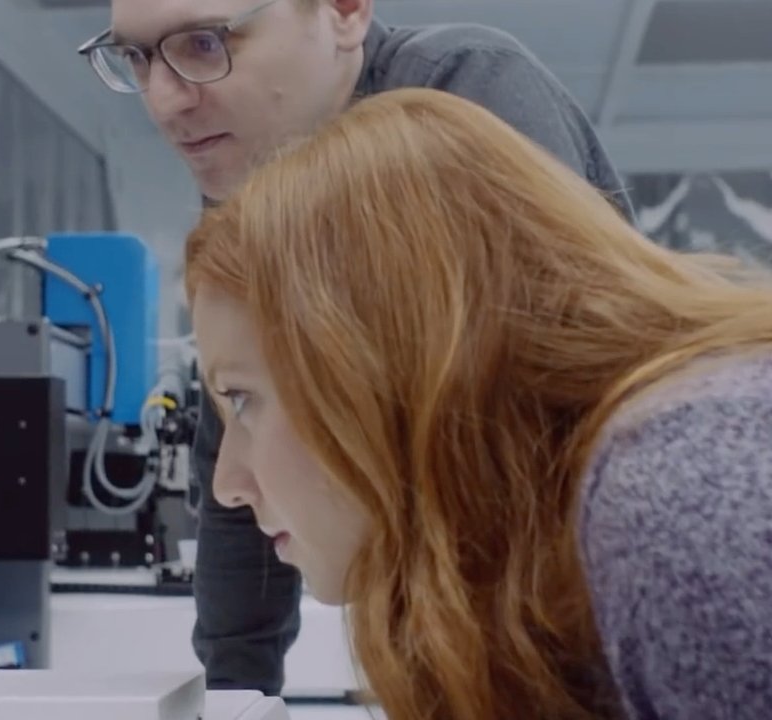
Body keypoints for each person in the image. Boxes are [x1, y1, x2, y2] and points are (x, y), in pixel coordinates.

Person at [79, 0, 631, 695]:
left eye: (204, 43)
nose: (163, 102)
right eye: (136, 58)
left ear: (344, 11)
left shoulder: (467, 95)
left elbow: (539, 438)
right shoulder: (254, 167)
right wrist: (237, 693)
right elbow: (237, 452)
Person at [184, 87, 772, 720]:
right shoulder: (543, 558)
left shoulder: (685, 501)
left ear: (381, 361)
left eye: (242, 400)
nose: (227, 487)